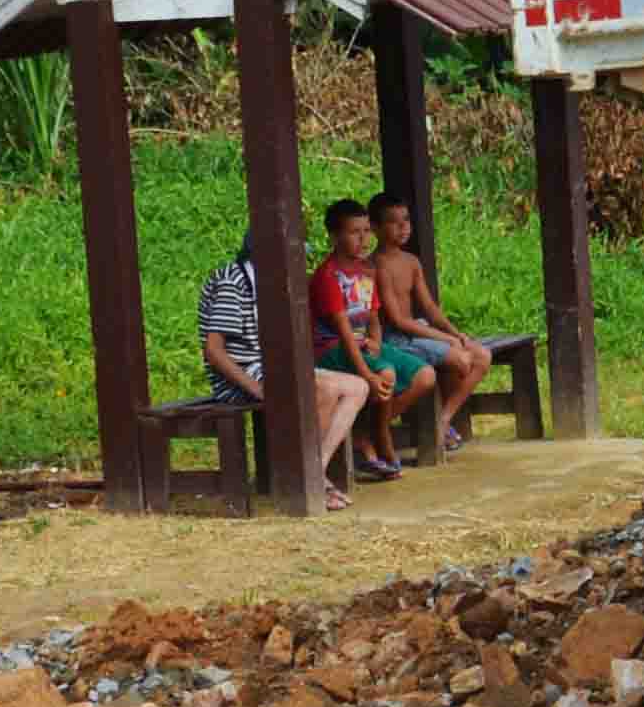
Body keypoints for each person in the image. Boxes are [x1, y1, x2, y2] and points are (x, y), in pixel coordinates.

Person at [199, 229, 366, 506]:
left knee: (356, 387)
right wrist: (259, 390)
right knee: (321, 387)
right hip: (239, 378)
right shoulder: (233, 282)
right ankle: (309, 479)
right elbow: (214, 352)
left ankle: (315, 471)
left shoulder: (268, 282)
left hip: (268, 369)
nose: (298, 262)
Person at [314, 200, 431, 471]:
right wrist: (367, 374)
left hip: (362, 345)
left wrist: (376, 341)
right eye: (355, 232)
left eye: (366, 230)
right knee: (385, 374)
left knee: (425, 376)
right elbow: (343, 332)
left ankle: (369, 431)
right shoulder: (328, 276)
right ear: (334, 236)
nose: (364, 238)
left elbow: (373, 318)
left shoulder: (367, 271)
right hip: (332, 349)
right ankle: (381, 441)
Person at [370, 195, 482, 457]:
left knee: (481, 355)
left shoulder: (411, 262)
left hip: (416, 330)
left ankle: (442, 421)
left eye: (406, 220)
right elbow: (397, 320)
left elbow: (430, 308)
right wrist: (447, 341)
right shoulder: (378, 264)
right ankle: (377, 427)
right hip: (395, 338)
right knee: (460, 359)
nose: (403, 227)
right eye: (393, 222)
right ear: (375, 228)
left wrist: (454, 333)